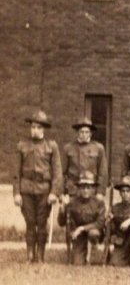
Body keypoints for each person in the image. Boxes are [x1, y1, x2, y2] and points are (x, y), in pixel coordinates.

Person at [14, 110, 63, 263]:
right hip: (26, 189)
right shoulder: (22, 145)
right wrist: (16, 193)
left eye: (39, 127)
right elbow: (16, 172)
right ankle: (30, 255)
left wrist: (54, 192)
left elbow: (57, 171)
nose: (35, 130)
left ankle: (40, 256)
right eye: (33, 127)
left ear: (44, 129)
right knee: (30, 222)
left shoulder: (51, 146)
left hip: (44, 190)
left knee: (42, 223)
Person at [58, 171, 105, 265]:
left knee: (93, 233)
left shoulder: (99, 203)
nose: (85, 191)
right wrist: (63, 208)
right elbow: (61, 222)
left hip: (94, 233)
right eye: (83, 187)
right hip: (79, 236)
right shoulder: (73, 202)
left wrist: (82, 228)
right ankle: (82, 253)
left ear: (92, 189)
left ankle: (94, 253)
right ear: (79, 188)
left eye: (88, 187)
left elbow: (100, 223)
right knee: (77, 263)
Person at [63, 117, 108, 203]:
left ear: (91, 133)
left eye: (87, 132)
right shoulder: (68, 148)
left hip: (91, 190)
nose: (84, 134)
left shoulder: (98, 148)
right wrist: (63, 193)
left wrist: (100, 192)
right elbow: (62, 172)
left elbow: (103, 172)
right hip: (73, 190)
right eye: (81, 132)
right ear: (77, 133)